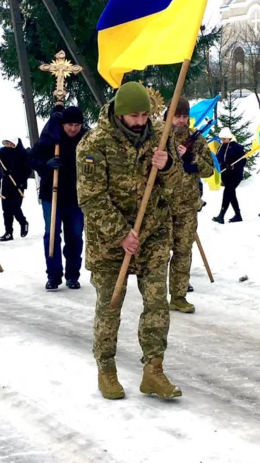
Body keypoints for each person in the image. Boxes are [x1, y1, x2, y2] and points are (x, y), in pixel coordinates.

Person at [77, 82, 182, 401]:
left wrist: (167, 166)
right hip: (110, 241)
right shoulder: (94, 144)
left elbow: (176, 182)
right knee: (110, 306)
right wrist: (121, 234)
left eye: (144, 115)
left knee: (156, 304)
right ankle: (106, 368)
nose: (140, 121)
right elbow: (90, 198)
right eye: (134, 116)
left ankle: (154, 369)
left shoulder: (160, 134)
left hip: (153, 234)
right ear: (120, 113)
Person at [166, 97, 215, 314]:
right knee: (158, 253)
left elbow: (209, 170)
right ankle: (155, 296)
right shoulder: (159, 136)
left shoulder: (196, 140)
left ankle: (178, 296)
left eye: (184, 116)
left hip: (186, 205)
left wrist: (190, 158)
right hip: (162, 205)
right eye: (177, 116)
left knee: (183, 251)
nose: (181, 120)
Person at [33, 104, 88, 291]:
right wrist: (46, 165)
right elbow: (32, 159)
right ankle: (53, 276)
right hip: (52, 195)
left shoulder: (86, 140)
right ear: (63, 124)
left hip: (76, 197)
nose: (73, 129)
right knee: (52, 236)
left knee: (75, 236)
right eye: (69, 124)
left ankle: (73, 275)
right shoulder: (51, 137)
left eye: (77, 125)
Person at [0, 138, 31, 241]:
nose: (8, 145)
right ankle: (8, 232)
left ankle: (23, 222)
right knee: (6, 208)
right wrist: (4, 172)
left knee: (15, 206)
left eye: (10, 143)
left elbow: (28, 170)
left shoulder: (22, 153)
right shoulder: (2, 152)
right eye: (6, 143)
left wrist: (20, 182)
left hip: (18, 184)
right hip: (7, 183)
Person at [213, 128, 246, 224]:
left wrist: (233, 166)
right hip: (226, 175)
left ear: (229, 138)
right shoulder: (221, 147)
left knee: (228, 193)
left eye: (224, 139)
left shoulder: (237, 147)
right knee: (230, 195)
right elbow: (219, 159)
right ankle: (237, 215)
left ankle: (221, 215)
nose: (222, 141)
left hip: (235, 175)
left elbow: (243, 161)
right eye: (221, 139)